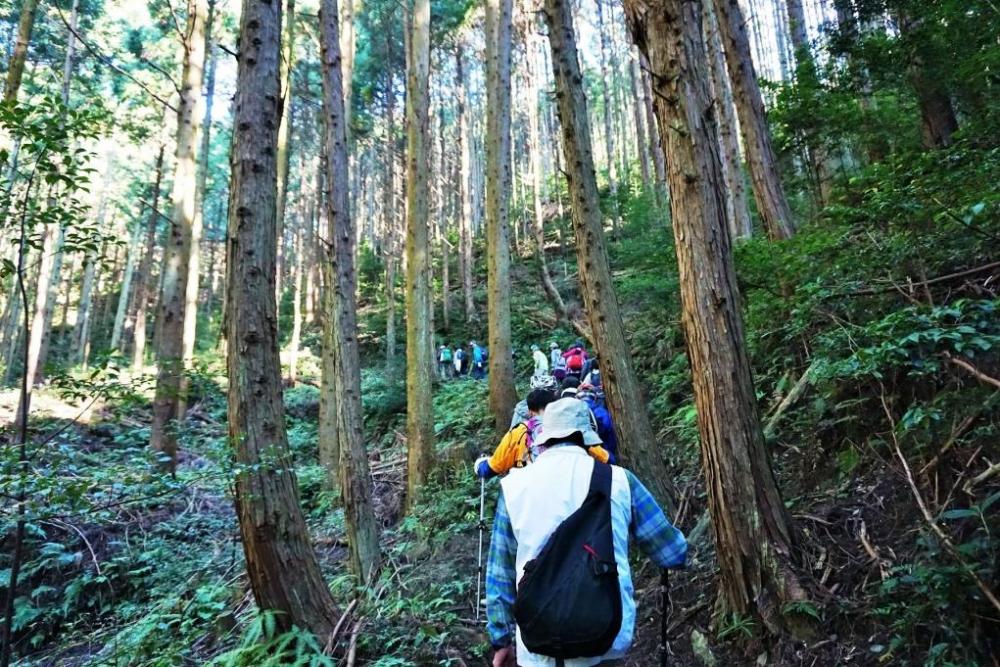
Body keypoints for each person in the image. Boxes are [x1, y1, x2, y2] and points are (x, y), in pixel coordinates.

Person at [486, 398, 687, 667]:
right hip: (604, 636)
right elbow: (671, 553)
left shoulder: (513, 487)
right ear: (587, 437)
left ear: (544, 438)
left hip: (537, 642)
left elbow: (500, 572)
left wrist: (501, 640)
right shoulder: (619, 480)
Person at [478, 383, 613, 480]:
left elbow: (492, 468)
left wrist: (480, 465)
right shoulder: (570, 429)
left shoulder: (519, 431)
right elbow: (607, 459)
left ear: (530, 411)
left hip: (529, 490)